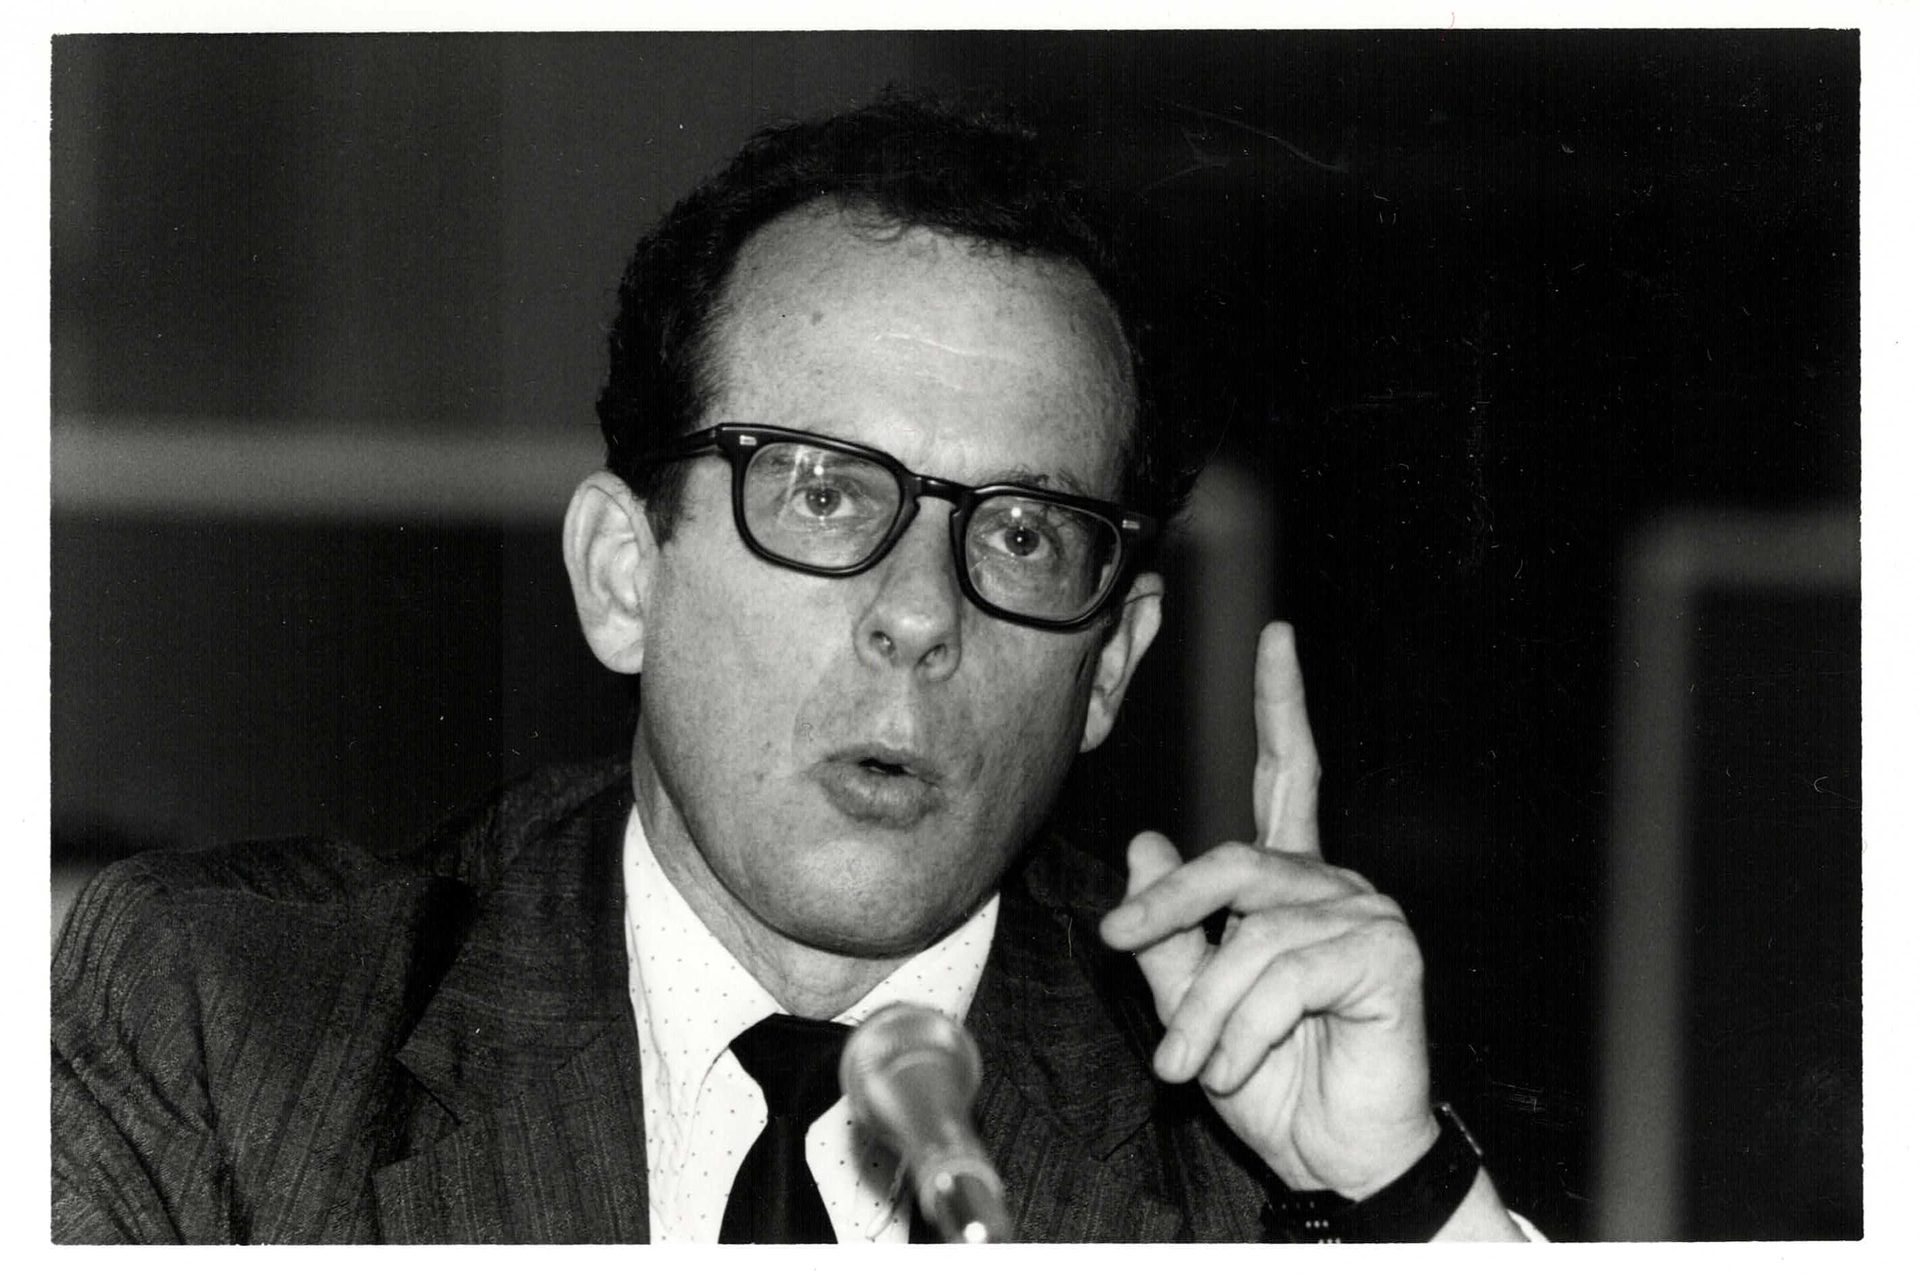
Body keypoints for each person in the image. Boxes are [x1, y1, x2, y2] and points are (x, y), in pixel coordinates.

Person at [52, 95, 1530, 1243]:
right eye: (822, 491)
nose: (918, 614)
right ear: (624, 578)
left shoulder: (1241, 1140)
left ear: (1108, 669)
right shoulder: (226, 1021)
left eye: (1021, 532)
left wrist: (1401, 1202)